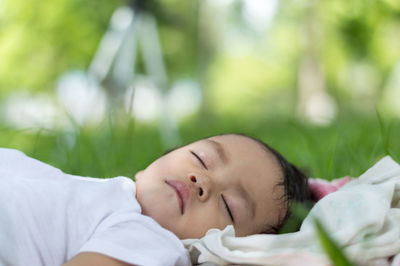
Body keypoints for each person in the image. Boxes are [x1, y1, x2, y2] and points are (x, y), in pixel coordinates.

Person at [0, 133, 309, 266]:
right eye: (200, 158)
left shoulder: (150, 239)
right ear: (144, 170)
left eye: (229, 206)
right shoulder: (108, 197)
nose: (202, 181)